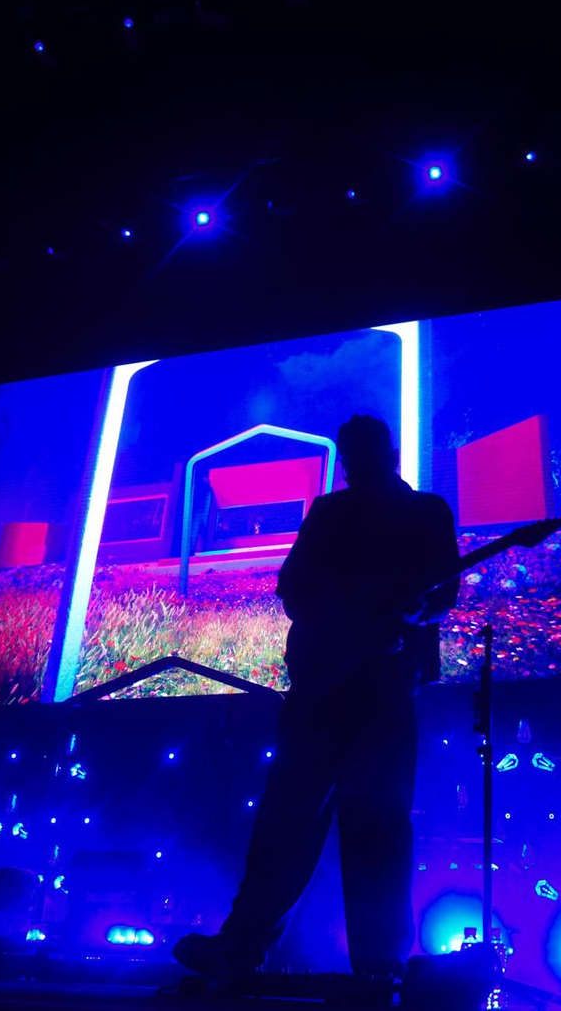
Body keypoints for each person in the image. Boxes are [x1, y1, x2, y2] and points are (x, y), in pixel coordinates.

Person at [173, 414, 461, 980]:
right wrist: (350, 624)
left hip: (381, 693)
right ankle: (245, 948)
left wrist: (408, 614)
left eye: (361, 454)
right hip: (323, 688)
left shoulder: (423, 511)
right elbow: (293, 588)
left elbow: (442, 592)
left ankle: (377, 965)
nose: (355, 466)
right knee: (289, 822)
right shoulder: (331, 513)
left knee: (371, 825)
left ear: (387, 454)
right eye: (351, 456)